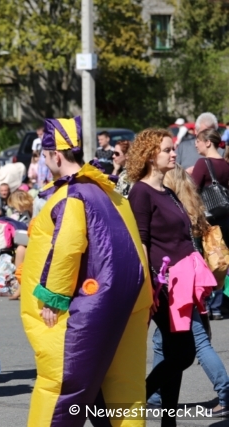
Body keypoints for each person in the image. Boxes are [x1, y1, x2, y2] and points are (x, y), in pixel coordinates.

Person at [20, 117, 151, 426]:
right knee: (124, 390)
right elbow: (132, 242)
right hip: (128, 303)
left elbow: (66, 246)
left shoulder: (72, 196)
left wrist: (54, 298)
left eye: (43, 154)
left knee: (62, 388)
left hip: (88, 310)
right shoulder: (109, 191)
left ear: (56, 155)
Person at [128, 128, 213, 427]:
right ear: (151, 155)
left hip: (181, 283)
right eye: (167, 149)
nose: (174, 153)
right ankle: (135, 401)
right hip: (162, 285)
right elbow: (141, 241)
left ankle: (168, 421)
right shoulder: (140, 191)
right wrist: (149, 285)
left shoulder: (167, 190)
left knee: (176, 352)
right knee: (184, 352)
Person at [147, 164, 229, 418]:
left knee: (197, 342)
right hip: (193, 281)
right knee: (163, 342)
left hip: (178, 283)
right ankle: (158, 396)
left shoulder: (173, 211)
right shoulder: (193, 208)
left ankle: (226, 394)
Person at [191, 128, 229, 320]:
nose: (195, 144)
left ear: (208, 142)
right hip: (225, 218)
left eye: (198, 140)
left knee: (207, 260)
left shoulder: (202, 163)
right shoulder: (225, 164)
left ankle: (207, 303)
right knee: (221, 260)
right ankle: (219, 304)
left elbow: (192, 190)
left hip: (207, 219)